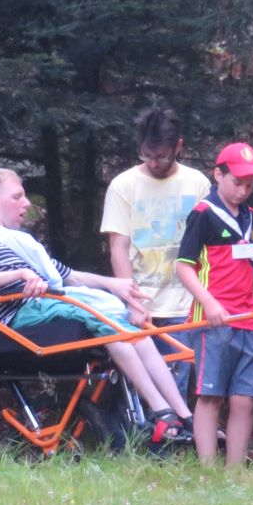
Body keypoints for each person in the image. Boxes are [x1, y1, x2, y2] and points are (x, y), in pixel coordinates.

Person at [0, 169, 195, 447]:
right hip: (18, 319)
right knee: (110, 325)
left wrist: (114, 284)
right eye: (17, 196)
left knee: (132, 328)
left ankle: (184, 415)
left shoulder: (23, 242)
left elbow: (68, 276)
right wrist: (18, 274)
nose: (26, 203)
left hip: (51, 306)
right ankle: (161, 410)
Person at [175, 143, 253, 467]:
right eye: (236, 182)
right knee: (210, 396)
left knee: (244, 400)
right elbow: (183, 266)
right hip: (212, 323)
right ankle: (209, 470)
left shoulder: (251, 218)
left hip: (249, 320)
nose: (243, 191)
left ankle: (234, 471)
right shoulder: (202, 214)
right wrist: (209, 304)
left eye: (249, 185)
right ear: (218, 175)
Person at [100, 106, 210, 393]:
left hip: (185, 303)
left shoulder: (197, 183)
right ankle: (143, 436)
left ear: (178, 147)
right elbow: (118, 248)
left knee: (178, 378)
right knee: (141, 385)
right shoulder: (123, 185)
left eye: (161, 155)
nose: (153, 163)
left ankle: (171, 435)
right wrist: (134, 303)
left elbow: (208, 248)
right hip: (142, 300)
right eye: (146, 155)